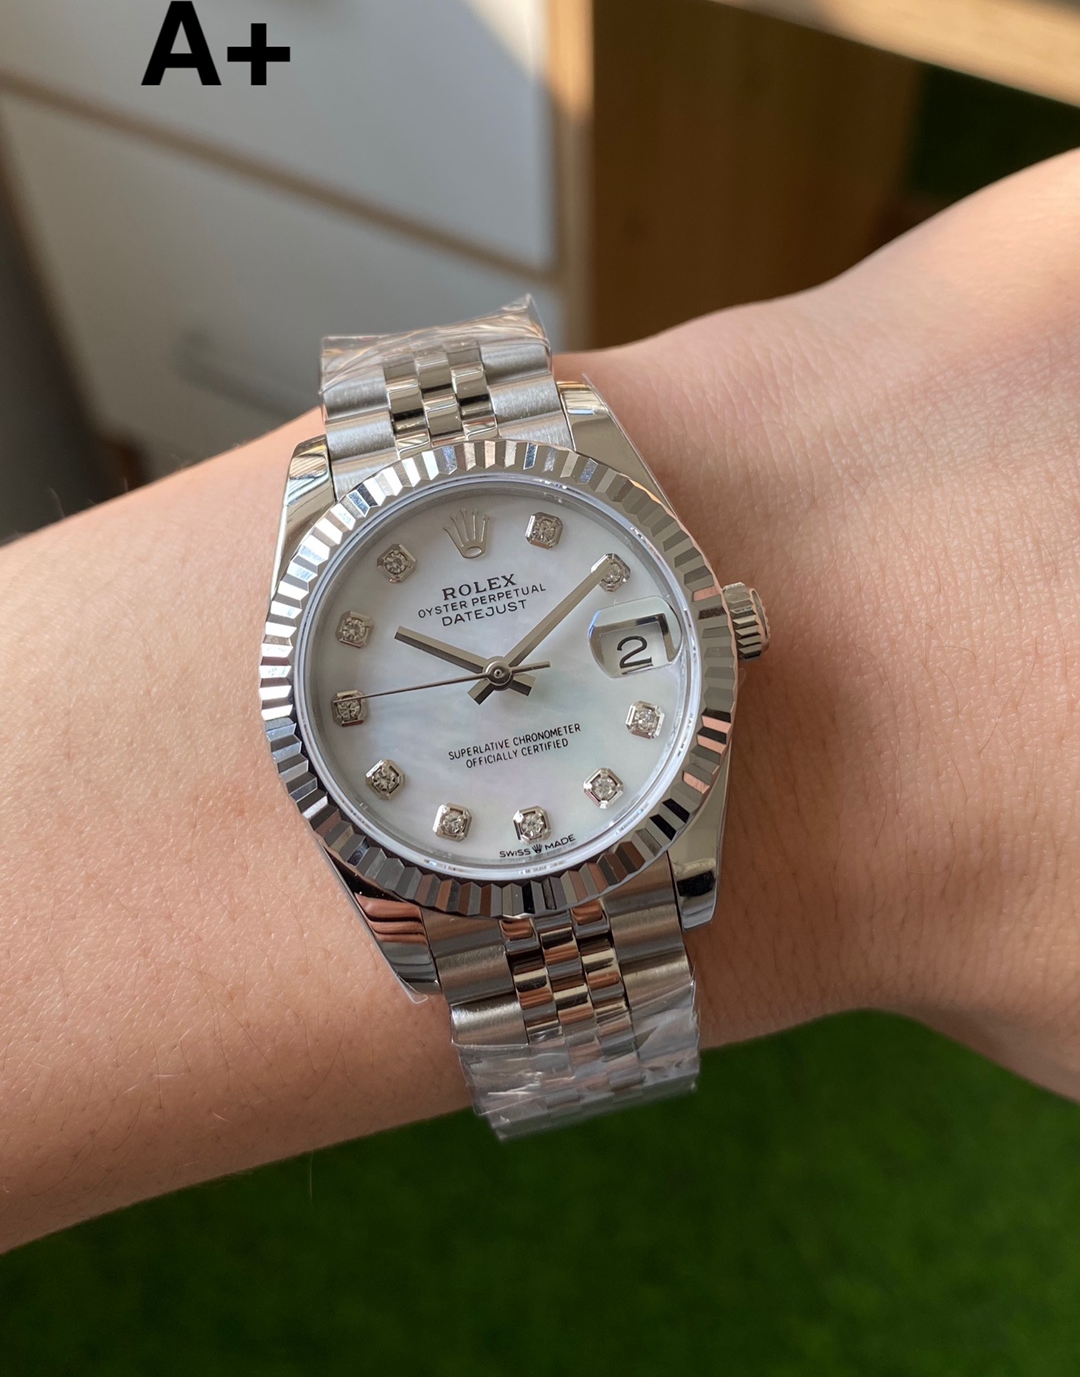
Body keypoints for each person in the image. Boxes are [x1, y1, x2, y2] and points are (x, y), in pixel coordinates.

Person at [2, 149, 1078, 1254]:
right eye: (487, 674)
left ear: (725, 622)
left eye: (502, 670)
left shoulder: (663, 610)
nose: (498, 679)